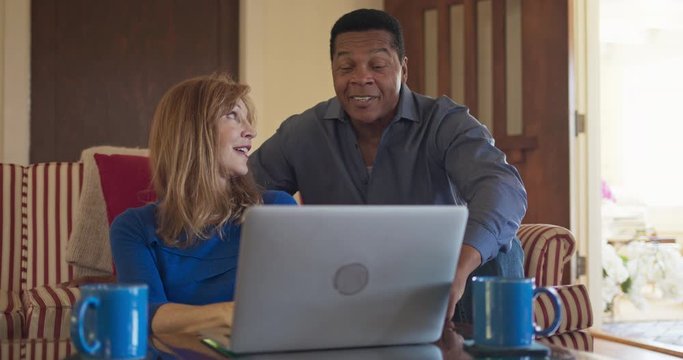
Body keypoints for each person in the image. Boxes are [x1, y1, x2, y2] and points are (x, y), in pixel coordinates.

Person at [248, 9, 527, 325]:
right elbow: (242, 192)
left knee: (500, 251)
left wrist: (460, 268)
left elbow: (501, 188)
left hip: (442, 282)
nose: (361, 78)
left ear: (403, 69)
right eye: (346, 67)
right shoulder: (304, 132)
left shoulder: (445, 122)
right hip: (347, 284)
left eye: (377, 66)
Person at [110, 74, 296, 334]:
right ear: (193, 131)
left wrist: (183, 317)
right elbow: (143, 315)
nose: (251, 131)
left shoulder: (276, 210)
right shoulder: (133, 227)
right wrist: (229, 313)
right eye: (233, 115)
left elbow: (293, 309)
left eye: (247, 118)